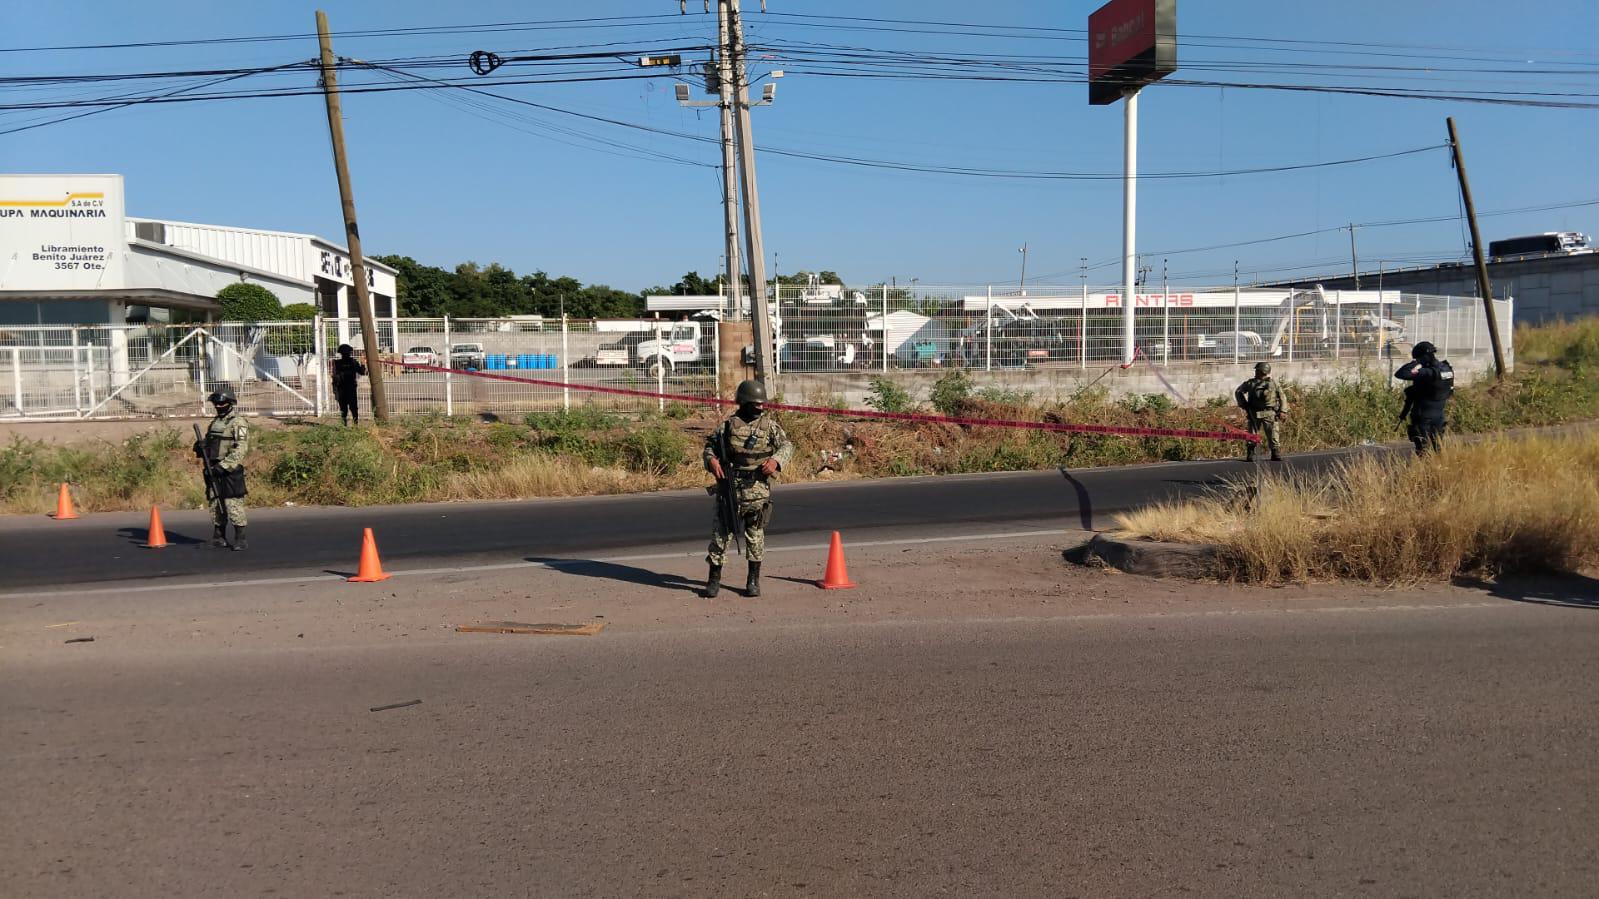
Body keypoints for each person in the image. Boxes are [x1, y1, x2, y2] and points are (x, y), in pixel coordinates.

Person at [703, 379, 794, 598]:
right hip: (730, 488)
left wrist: (776, 461)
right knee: (720, 535)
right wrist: (711, 461)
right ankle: (714, 579)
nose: (760, 407)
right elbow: (709, 448)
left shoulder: (769, 426)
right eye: (756, 403)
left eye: (762, 404)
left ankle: (753, 581)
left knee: (755, 535)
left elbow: (787, 445)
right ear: (743, 402)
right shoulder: (727, 426)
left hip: (757, 489)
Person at [194, 388, 250, 550]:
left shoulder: (238, 422)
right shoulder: (216, 422)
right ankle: (219, 537)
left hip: (229, 469)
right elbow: (210, 442)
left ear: (230, 403)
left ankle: (240, 538)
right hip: (213, 468)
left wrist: (224, 466)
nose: (218, 406)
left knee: (233, 504)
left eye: (222, 403)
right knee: (214, 503)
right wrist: (201, 446)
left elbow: (241, 448)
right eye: (216, 403)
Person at [1394, 340, 1454, 456]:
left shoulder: (1428, 372)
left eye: (1419, 358)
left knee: (1423, 451)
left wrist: (1414, 363)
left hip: (1423, 418)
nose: (1418, 360)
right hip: (1439, 417)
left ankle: (1426, 473)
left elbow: (1401, 373)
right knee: (1438, 449)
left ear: (1424, 357)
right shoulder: (1446, 369)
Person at [1234, 361, 1288, 462]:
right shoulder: (1251, 383)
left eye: (1257, 370)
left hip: (1269, 413)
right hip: (1254, 412)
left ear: (1263, 372)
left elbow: (1282, 397)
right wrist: (1244, 404)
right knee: (1252, 434)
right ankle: (1251, 453)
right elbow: (1238, 392)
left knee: (1273, 434)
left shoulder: (1272, 383)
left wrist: (1283, 411)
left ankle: (1275, 452)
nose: (1256, 372)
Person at [331, 343, 367, 426]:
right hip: (350, 388)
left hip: (341, 388)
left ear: (340, 353)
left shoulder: (337, 363)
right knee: (353, 408)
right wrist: (363, 363)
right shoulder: (353, 362)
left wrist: (335, 390)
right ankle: (355, 425)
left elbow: (334, 377)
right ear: (350, 352)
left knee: (343, 409)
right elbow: (362, 372)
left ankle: (344, 425)